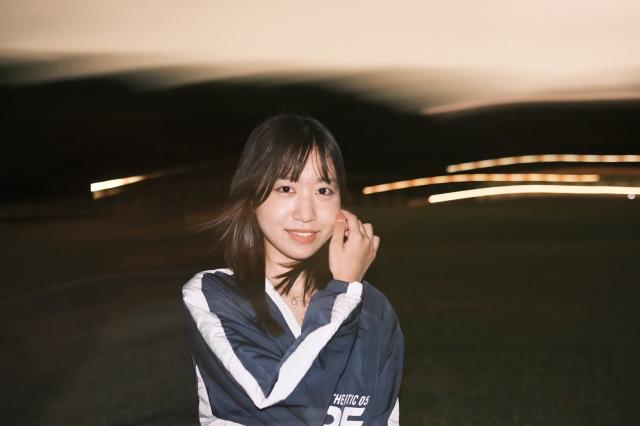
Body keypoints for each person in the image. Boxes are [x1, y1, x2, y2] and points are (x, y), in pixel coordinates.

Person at [182, 115, 404, 425]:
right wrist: (342, 293)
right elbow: (283, 405)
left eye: (323, 190)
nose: (306, 213)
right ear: (251, 198)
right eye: (286, 188)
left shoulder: (374, 308)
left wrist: (347, 294)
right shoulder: (214, 296)